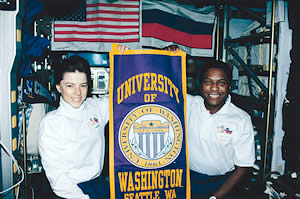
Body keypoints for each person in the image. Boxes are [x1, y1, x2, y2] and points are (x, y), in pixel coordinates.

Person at [38, 46, 128, 199]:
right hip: (70, 192)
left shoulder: (95, 107)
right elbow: (57, 177)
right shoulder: (51, 123)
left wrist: (123, 62)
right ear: (59, 87)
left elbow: (121, 94)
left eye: (83, 85)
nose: (77, 93)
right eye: (70, 86)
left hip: (99, 186)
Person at [186, 59, 256, 199]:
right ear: (200, 85)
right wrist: (167, 55)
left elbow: (243, 168)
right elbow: (157, 83)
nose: (214, 88)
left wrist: (214, 197)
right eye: (208, 82)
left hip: (224, 185)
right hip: (187, 180)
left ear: (229, 86)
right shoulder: (188, 104)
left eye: (221, 83)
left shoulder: (241, 119)